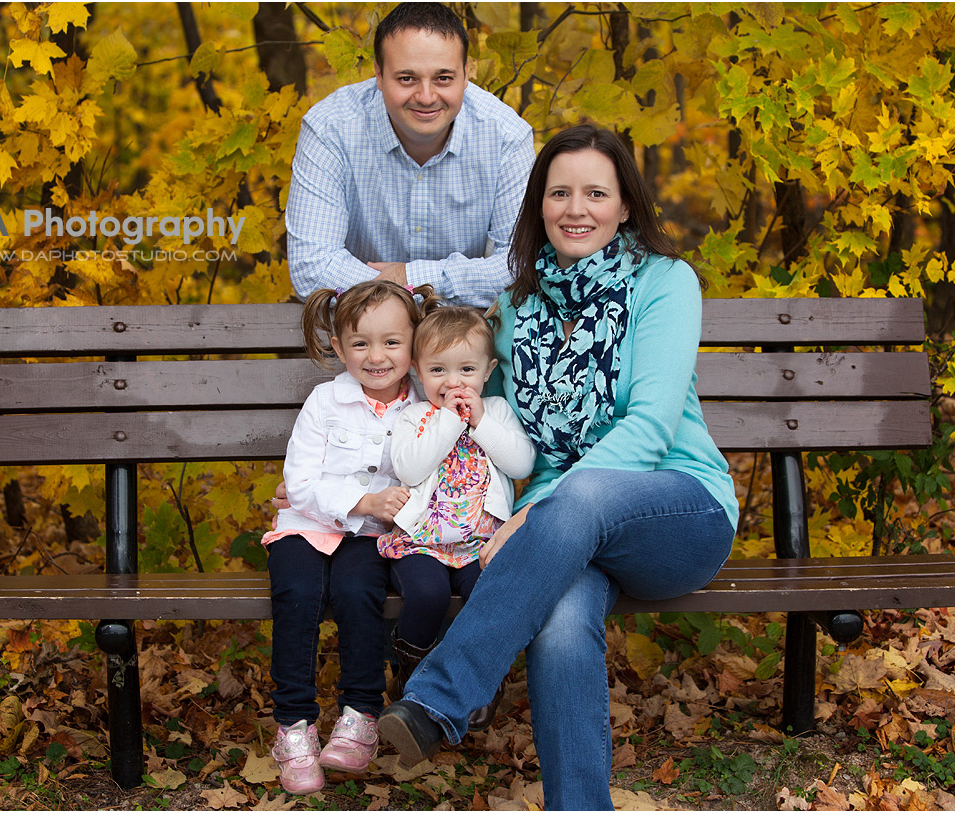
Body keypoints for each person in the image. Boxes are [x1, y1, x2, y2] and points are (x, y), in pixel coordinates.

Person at [375, 124, 740, 810]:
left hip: (678, 509)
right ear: (539, 205)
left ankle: (441, 697)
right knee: (562, 620)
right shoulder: (516, 307)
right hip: (567, 530)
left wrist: (539, 511)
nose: (577, 208)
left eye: (596, 192)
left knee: (584, 494)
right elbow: (511, 439)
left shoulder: (665, 283)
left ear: (625, 205)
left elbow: (652, 426)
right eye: (560, 192)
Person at [261, 279, 433, 794]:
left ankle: (360, 715)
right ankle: (293, 725)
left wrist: (376, 511)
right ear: (338, 348)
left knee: (360, 594)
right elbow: (300, 483)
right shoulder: (325, 401)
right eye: (360, 343)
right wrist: (360, 501)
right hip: (307, 526)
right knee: (297, 595)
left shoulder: (425, 407)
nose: (376, 356)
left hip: (370, 535)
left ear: (415, 342)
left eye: (391, 342)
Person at [285, 2, 534, 307]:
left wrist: (408, 276)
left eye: (443, 78)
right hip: (361, 337)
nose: (427, 97)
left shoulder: (506, 136)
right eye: (407, 79)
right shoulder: (330, 129)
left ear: (468, 73)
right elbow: (311, 269)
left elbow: (519, 266)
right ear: (378, 74)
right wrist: (423, 290)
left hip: (461, 338)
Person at [377, 304, 536, 729]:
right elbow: (410, 469)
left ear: (488, 371)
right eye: (438, 371)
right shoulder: (415, 416)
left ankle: (482, 678)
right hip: (423, 542)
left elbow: (520, 464)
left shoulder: (498, 411)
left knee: (489, 595)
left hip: (480, 543)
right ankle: (411, 673)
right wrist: (448, 420)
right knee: (426, 596)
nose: (453, 382)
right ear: (418, 372)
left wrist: (480, 419)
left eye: (466, 369)